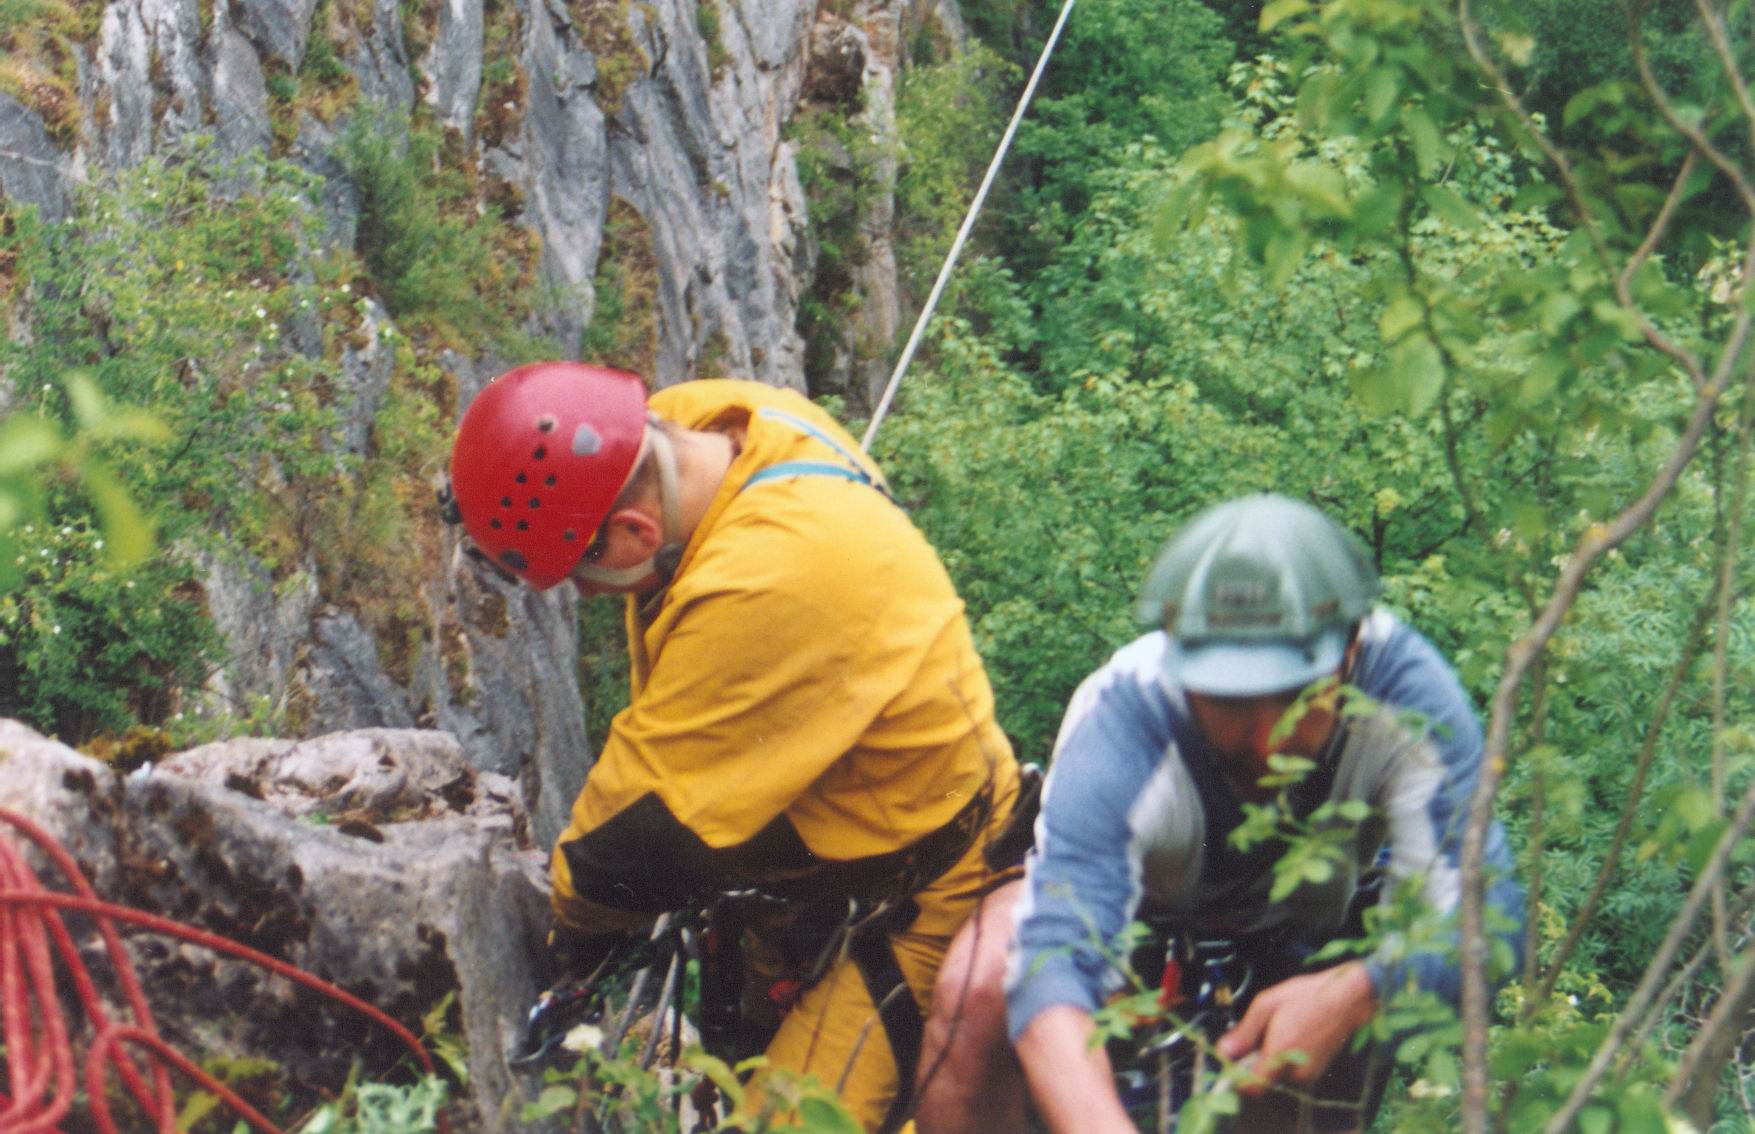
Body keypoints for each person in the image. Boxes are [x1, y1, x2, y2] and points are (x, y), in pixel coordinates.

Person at [444, 362, 1022, 1132]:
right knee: (745, 1047)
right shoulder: (713, 426)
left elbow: (635, 835)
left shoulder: (771, 576)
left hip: (922, 890)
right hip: (833, 839)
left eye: (581, 573)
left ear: (636, 532)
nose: (582, 593)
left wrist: (571, 936)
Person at [914, 493, 1524, 1134]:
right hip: (1133, 910)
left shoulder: (1407, 699)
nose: (1264, 742)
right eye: (1231, 702)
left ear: (1349, 651)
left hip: (1310, 931)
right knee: (982, 985)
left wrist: (1359, 990)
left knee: (1297, 1075)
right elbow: (1052, 965)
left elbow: (1489, 920)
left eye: (1293, 699)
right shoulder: (1126, 719)